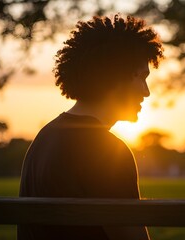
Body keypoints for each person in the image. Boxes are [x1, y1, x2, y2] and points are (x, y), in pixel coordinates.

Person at [18, 14, 163, 240]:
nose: (146, 91)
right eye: (141, 77)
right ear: (116, 75)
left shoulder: (44, 137)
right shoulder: (107, 151)